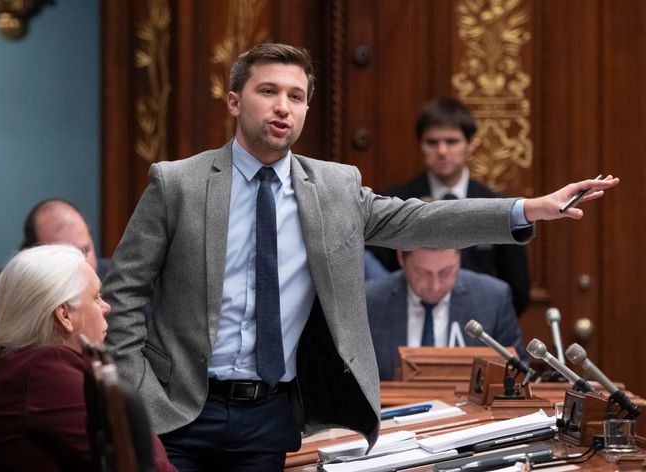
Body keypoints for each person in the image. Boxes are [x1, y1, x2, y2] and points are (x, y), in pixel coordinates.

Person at [102, 42, 618, 471]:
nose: (283, 106)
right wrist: (138, 393)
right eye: (269, 92)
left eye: (296, 96)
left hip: (270, 415)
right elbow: (123, 293)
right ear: (235, 101)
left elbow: (422, 220)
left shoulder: (334, 187)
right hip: (177, 410)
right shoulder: (178, 183)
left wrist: (527, 209)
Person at [0, 244, 176, 471]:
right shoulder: (44, 372)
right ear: (65, 315)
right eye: (96, 297)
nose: (107, 307)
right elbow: (139, 462)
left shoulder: (29, 364)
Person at [367, 97, 531, 315]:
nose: (442, 151)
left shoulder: (496, 204)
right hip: (405, 321)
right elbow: (373, 274)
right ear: (421, 145)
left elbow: (517, 289)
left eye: (452, 141)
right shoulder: (395, 200)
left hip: (476, 325)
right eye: (432, 142)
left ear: (471, 144)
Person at [366, 248, 526, 380]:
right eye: (423, 272)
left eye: (446, 272)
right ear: (401, 258)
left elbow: (518, 373)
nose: (435, 286)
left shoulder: (493, 298)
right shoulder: (370, 301)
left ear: (459, 258)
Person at [0, 198, 110, 325]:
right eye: (64, 254)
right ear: (33, 256)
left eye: (85, 251)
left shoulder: (118, 280)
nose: (81, 263)